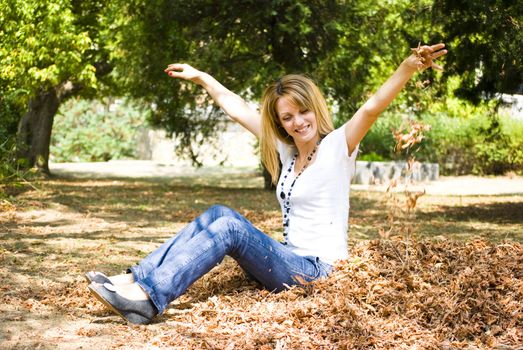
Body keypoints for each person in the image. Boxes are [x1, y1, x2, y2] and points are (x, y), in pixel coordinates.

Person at [86, 43, 447, 324]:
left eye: (303, 112)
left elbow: (371, 108)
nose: (297, 122)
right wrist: (202, 78)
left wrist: (407, 67)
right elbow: (236, 106)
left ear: (315, 109)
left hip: (318, 272)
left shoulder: (339, 146)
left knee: (229, 227)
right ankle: (137, 280)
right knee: (218, 213)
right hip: (288, 261)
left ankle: (149, 300)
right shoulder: (288, 152)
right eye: (287, 117)